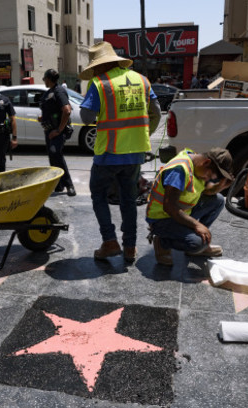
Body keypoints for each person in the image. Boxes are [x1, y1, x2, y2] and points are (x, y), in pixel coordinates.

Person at [78, 41, 161, 263]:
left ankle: (109, 241)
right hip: (135, 154)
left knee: (98, 195)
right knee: (128, 199)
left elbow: (86, 118)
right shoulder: (142, 81)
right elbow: (157, 113)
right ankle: (130, 247)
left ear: (99, 65)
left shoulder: (99, 83)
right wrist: (142, 133)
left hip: (108, 153)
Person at [146, 148, 234, 266]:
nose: (207, 180)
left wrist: (219, 187)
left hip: (180, 214)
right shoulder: (179, 170)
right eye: (208, 176)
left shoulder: (197, 163)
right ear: (206, 162)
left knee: (217, 200)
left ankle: (201, 241)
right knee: (196, 244)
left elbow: (202, 192)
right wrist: (197, 225)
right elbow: (170, 207)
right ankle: (163, 241)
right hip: (162, 219)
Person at [40, 69, 75, 196]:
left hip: (58, 130)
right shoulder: (49, 92)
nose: (44, 81)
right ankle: (58, 185)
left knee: (56, 154)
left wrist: (59, 130)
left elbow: (66, 110)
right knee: (52, 156)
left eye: (44, 79)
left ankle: (69, 184)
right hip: (49, 130)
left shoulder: (58, 91)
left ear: (49, 79)